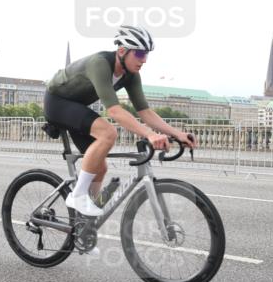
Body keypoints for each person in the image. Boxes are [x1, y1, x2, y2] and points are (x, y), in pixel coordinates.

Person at [44, 25, 197, 217]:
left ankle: (85, 227)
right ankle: (77, 195)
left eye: (146, 55)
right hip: (57, 102)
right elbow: (115, 111)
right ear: (123, 51)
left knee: (100, 166)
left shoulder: (131, 76)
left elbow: (146, 112)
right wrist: (149, 134)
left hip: (77, 107)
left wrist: (177, 133)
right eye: (140, 54)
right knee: (108, 133)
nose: (144, 60)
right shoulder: (100, 63)